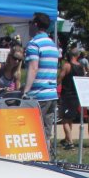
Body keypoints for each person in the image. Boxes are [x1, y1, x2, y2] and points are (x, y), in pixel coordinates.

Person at [21, 12, 60, 149]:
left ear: (35, 24)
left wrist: (25, 91)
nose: (29, 26)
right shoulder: (52, 45)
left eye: (30, 23)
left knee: (33, 131)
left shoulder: (34, 44)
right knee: (46, 133)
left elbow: (33, 68)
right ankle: (47, 160)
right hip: (52, 94)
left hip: (38, 94)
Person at [57, 48, 85, 148]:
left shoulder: (67, 66)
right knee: (70, 119)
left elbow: (60, 78)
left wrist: (55, 85)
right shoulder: (81, 67)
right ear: (78, 55)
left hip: (67, 95)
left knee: (64, 119)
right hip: (76, 96)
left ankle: (70, 142)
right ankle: (66, 138)